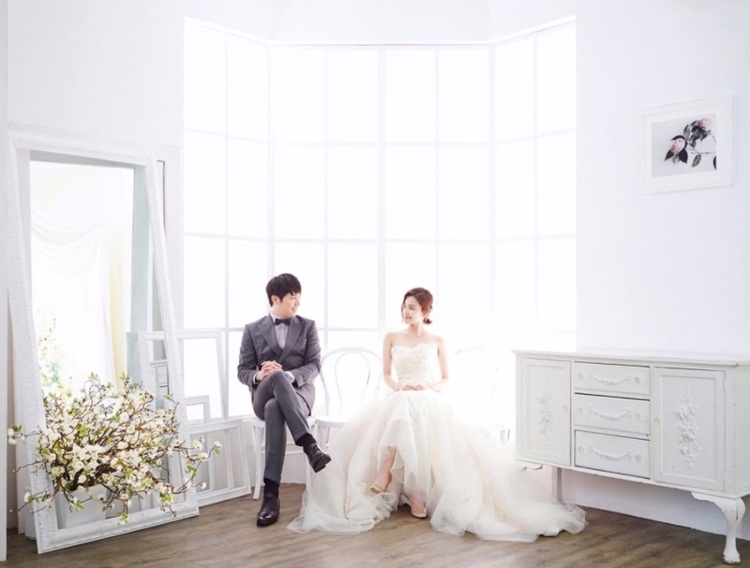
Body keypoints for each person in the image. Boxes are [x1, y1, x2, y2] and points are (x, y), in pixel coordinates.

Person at [287, 287, 586, 541]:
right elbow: (387, 375)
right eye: (404, 307)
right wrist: (401, 386)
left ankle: (393, 476)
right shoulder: (392, 337)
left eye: (412, 308)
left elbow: (445, 379)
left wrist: (426, 386)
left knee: (414, 409)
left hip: (428, 395)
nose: (406, 312)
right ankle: (410, 491)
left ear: (426, 311)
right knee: (403, 406)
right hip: (400, 394)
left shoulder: (437, 340)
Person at [238, 273, 331, 527]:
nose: (297, 303)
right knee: (273, 385)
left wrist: (289, 375)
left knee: (275, 406)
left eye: (299, 297)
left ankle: (270, 496)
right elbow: (242, 370)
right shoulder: (252, 329)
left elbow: (314, 364)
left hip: (299, 394)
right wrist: (260, 375)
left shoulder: (308, 326)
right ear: (275, 299)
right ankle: (310, 446)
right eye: (293, 298)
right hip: (263, 392)